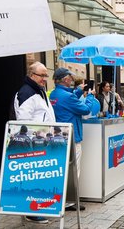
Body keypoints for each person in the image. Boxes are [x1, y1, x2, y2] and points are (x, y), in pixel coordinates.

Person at [13, 61, 55, 224]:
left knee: (39, 179)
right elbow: (23, 122)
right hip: (33, 145)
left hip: (42, 143)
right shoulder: (26, 92)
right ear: (31, 75)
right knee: (33, 179)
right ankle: (32, 211)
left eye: (46, 75)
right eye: (42, 75)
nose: (45, 78)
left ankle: (37, 207)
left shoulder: (39, 90)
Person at [49, 67, 96, 211]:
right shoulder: (68, 97)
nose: (72, 80)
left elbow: (67, 101)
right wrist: (90, 97)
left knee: (60, 169)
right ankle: (69, 201)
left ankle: (58, 198)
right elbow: (85, 109)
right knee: (74, 170)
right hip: (72, 138)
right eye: (70, 77)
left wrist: (78, 91)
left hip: (58, 136)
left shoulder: (53, 94)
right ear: (65, 79)